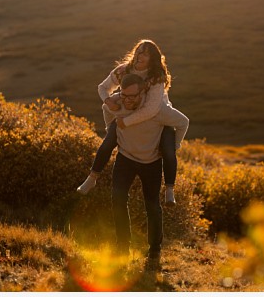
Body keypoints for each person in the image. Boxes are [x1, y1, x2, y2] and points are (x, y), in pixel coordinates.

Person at [77, 40, 181, 205]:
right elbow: (102, 88)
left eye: (145, 53)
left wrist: (125, 122)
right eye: (139, 51)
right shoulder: (124, 70)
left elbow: (150, 110)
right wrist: (108, 102)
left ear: (152, 58)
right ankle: (92, 178)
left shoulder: (156, 77)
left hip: (158, 116)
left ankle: (169, 190)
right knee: (108, 142)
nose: (140, 55)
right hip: (128, 111)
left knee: (168, 152)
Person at [105, 73, 189, 270]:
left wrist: (175, 146)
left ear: (143, 92)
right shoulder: (121, 104)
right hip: (125, 158)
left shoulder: (158, 110)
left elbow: (183, 122)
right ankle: (123, 247)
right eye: (123, 95)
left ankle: (154, 250)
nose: (127, 100)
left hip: (151, 162)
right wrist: (112, 133)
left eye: (131, 96)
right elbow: (106, 109)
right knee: (117, 199)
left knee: (152, 206)